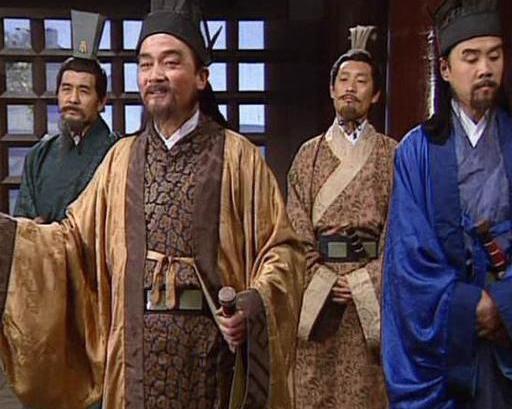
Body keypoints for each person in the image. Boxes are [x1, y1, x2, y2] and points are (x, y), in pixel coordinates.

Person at [0, 1, 304, 409]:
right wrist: (9, 240)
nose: (155, 75)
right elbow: (72, 243)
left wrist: (254, 304)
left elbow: (282, 250)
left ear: (201, 77)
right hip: (134, 357)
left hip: (212, 359)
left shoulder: (239, 158)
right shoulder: (121, 159)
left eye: (171, 62)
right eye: (145, 64)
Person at [382, 0, 512, 408]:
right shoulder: (416, 152)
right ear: (444, 69)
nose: (485, 69)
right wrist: (468, 305)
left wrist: (504, 303)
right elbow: (409, 258)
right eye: (470, 58)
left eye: (494, 56)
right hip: (446, 343)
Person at [287, 26, 396, 409]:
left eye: (362, 81)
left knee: (367, 391)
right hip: (320, 298)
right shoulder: (308, 154)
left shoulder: (392, 154)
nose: (351, 87)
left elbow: (400, 232)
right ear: (332, 90)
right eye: (344, 80)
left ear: (375, 94)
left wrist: (365, 281)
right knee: (314, 387)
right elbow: (294, 228)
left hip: (369, 300)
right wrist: (322, 278)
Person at [14, 10, 117, 223]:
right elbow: (23, 221)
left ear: (101, 102)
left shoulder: (118, 153)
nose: (73, 99)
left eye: (84, 91)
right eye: (66, 89)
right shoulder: (39, 155)